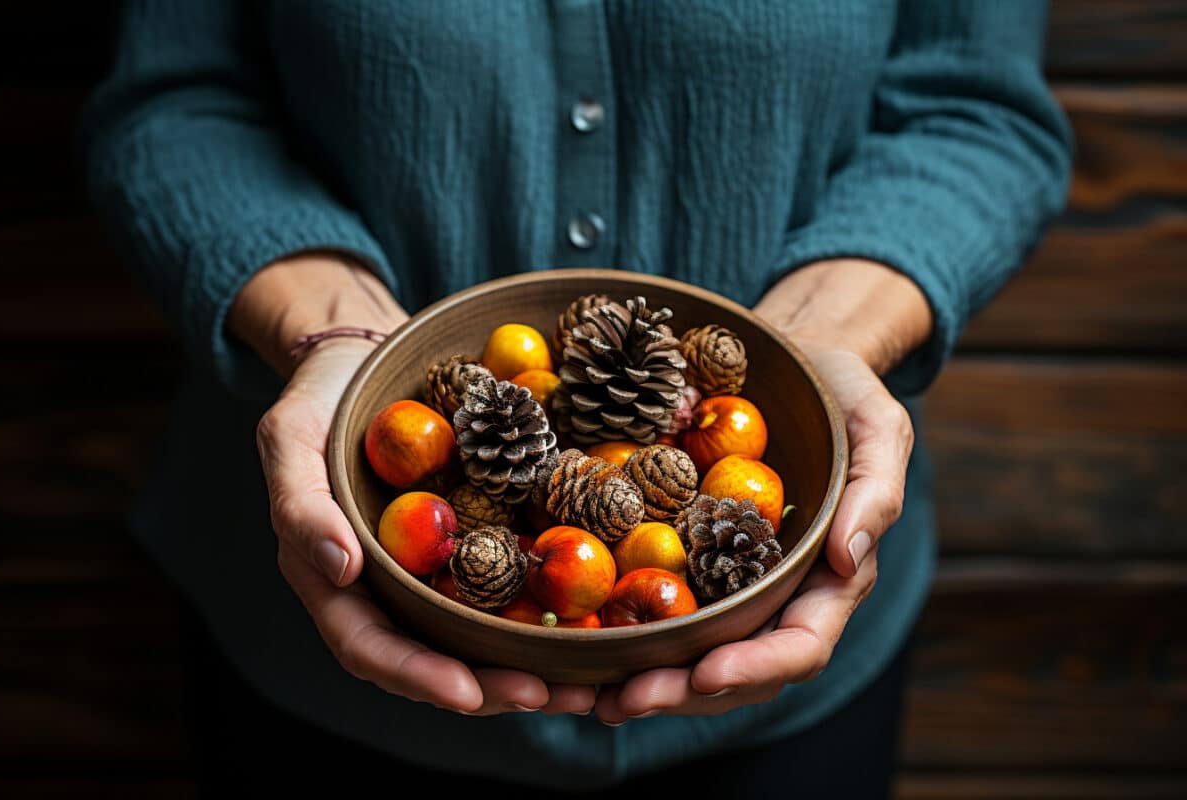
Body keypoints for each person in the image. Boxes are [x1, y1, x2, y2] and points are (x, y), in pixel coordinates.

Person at [79, 1, 1071, 796]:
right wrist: (332, 327)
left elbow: (973, 109)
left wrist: (824, 340)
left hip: (790, 673)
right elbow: (176, 100)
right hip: (314, 645)